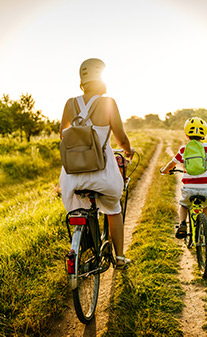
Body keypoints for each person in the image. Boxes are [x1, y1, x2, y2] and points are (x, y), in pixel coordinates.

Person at [59, 58, 134, 269]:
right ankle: (119, 258)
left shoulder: (70, 104)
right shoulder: (108, 103)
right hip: (102, 173)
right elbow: (121, 138)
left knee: (79, 209)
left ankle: (84, 244)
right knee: (113, 209)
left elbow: (62, 135)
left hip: (72, 176)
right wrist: (128, 150)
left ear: (82, 79)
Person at [160, 117, 207, 238]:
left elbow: (172, 164)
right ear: (204, 135)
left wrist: (165, 171)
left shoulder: (184, 149)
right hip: (206, 187)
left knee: (184, 205)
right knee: (206, 205)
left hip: (189, 188)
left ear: (187, 135)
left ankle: (182, 224)